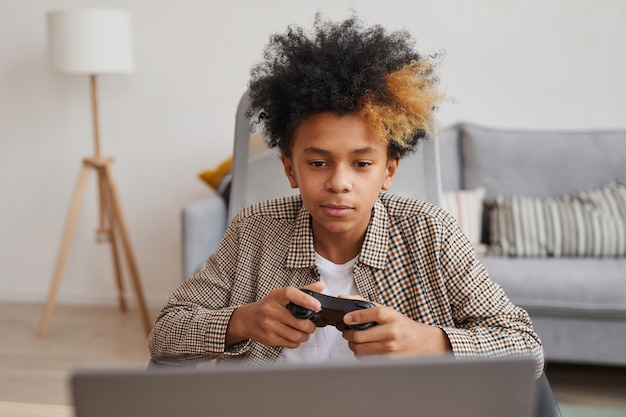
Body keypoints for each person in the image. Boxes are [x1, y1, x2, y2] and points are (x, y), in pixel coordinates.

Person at [148, 14, 544, 376]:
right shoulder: (254, 230)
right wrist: (243, 322)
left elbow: (526, 349)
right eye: (318, 163)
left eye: (361, 164)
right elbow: (165, 335)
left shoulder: (432, 232)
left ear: (389, 170)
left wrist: (429, 342)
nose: (339, 182)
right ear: (290, 168)